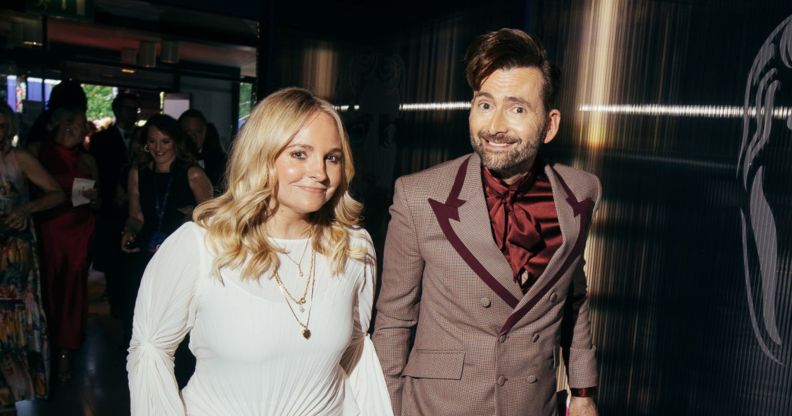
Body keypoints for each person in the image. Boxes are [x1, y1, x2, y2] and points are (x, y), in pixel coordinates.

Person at [372, 28, 600, 416]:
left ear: (550, 124)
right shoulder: (419, 195)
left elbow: (573, 298)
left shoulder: (581, 193)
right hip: (439, 406)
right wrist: (386, 410)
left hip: (532, 404)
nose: (495, 126)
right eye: (484, 104)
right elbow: (394, 322)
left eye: (517, 109)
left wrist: (581, 392)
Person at [126, 87, 392, 415]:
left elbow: (356, 354)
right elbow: (151, 353)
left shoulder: (352, 248)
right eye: (299, 153)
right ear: (261, 155)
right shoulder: (201, 246)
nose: (321, 173)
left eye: (332, 157)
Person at [119, 114, 213, 347]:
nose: (158, 148)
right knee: (139, 318)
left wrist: (193, 214)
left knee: (177, 322)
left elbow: (213, 221)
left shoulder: (192, 174)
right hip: (147, 254)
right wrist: (128, 231)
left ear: (176, 143)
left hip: (181, 257)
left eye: (165, 141)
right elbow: (136, 216)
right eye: (152, 141)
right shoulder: (138, 173)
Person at [0, 103, 64, 413]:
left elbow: (56, 193)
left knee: (10, 323)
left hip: (13, 253)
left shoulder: (20, 158)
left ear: (10, 128)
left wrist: (26, 209)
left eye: (2, 125)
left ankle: (11, 393)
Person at [34, 106, 99, 382]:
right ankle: (42, 349)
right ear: (56, 124)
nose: (74, 129)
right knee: (46, 287)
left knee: (72, 289)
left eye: (80, 125)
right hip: (47, 227)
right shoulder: (37, 152)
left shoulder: (87, 160)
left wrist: (93, 196)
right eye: (69, 122)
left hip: (77, 230)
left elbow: (94, 200)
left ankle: (65, 353)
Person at [89, 92, 140, 320]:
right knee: (112, 261)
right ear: (118, 111)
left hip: (136, 208)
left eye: (135, 109)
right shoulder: (101, 140)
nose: (132, 114)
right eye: (128, 109)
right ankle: (117, 308)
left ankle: (126, 310)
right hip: (110, 210)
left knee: (131, 266)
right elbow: (95, 174)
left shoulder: (143, 138)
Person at [178, 109, 228, 193]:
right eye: (188, 132)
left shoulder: (219, 160)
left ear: (205, 132)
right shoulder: (170, 160)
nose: (193, 136)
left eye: (198, 132)